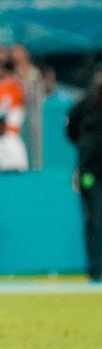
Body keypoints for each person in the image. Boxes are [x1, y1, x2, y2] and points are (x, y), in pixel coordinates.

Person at [65, 70, 102, 283]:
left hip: (91, 166)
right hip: (91, 172)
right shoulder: (86, 104)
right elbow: (71, 129)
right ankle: (96, 269)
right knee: (94, 219)